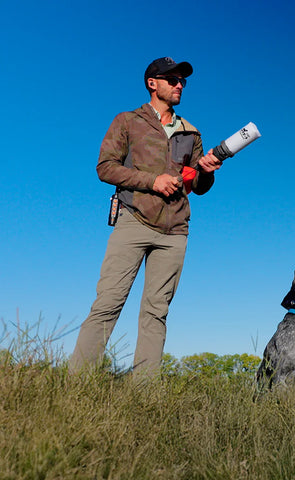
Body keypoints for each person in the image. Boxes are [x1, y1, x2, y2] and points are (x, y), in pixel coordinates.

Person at [69, 57, 222, 375]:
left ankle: (144, 395)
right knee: (108, 303)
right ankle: (77, 385)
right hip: (133, 221)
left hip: (176, 231)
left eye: (183, 81)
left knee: (156, 312)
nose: (180, 85)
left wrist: (206, 171)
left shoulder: (190, 133)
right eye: (173, 79)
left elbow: (197, 186)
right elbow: (105, 167)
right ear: (153, 83)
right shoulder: (127, 120)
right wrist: (152, 181)